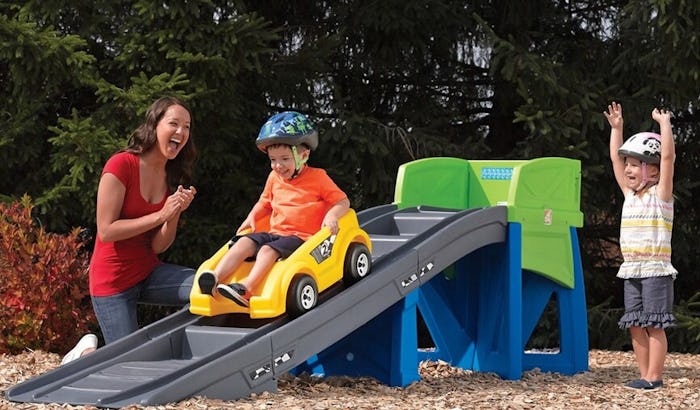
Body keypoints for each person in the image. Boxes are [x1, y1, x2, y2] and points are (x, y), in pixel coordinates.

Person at [61, 96, 198, 365]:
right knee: (128, 364)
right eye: (174, 123)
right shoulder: (121, 165)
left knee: (205, 285)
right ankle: (86, 353)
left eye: (187, 127)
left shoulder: (173, 176)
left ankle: (186, 358)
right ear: (154, 125)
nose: (181, 132)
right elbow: (107, 230)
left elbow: (158, 246)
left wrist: (174, 213)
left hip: (148, 272)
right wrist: (160, 214)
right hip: (113, 282)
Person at [197, 111, 349, 307]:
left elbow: (342, 201)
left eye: (285, 159)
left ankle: (246, 288)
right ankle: (215, 278)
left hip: (301, 239)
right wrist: (252, 217)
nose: (278, 166)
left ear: (303, 155)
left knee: (268, 250)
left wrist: (331, 215)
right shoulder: (274, 178)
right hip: (274, 233)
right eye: (273, 160)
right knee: (243, 243)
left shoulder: (318, 177)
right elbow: (264, 202)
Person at [604, 101, 677, 390]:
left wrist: (665, 125)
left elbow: (669, 158)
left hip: (656, 269)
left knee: (654, 323)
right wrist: (616, 129)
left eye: (635, 165)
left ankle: (655, 377)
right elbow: (613, 158)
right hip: (631, 268)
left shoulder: (662, 195)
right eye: (628, 165)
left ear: (653, 171)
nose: (628, 169)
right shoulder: (629, 195)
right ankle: (644, 374)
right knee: (635, 321)